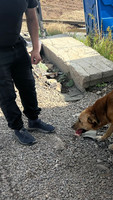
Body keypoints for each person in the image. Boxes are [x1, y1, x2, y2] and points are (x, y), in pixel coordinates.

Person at [0, 0, 55, 145]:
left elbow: (31, 17)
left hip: (17, 45)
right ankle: (18, 128)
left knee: (28, 86)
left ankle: (34, 120)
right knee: (6, 94)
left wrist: (36, 48)